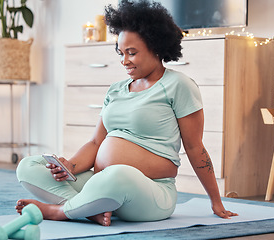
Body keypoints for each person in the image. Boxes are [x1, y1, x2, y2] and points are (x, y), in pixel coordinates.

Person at [15, 0, 238, 226]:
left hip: (148, 191)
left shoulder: (179, 85)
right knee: (28, 166)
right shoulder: (116, 90)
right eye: (121, 53)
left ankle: (59, 211)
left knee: (117, 175)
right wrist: (69, 167)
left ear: (156, 47)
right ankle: (90, 208)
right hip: (100, 182)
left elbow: (194, 147)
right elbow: (94, 143)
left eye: (132, 53)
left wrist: (215, 201)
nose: (124, 61)